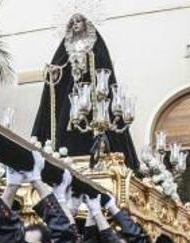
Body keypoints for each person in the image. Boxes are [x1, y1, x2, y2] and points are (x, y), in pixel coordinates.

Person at [31, 13, 138, 168]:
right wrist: (54, 72)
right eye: (72, 22)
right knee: (66, 123)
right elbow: (59, 68)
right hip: (71, 96)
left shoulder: (96, 44)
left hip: (93, 96)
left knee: (96, 124)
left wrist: (90, 63)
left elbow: (103, 66)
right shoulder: (66, 46)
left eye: (78, 21)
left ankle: (98, 156)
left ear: (85, 23)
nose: (75, 24)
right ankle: (62, 155)